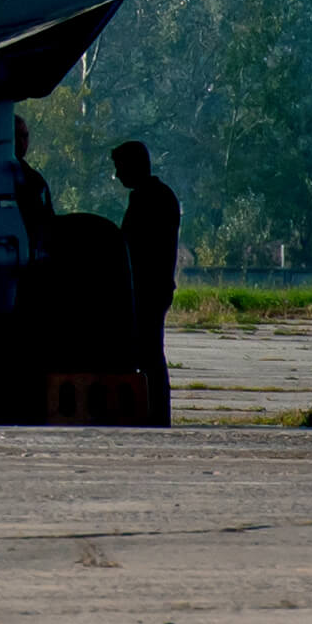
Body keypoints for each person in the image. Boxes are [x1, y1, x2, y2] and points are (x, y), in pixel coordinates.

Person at [112, 142, 182, 426]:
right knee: (151, 353)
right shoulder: (159, 195)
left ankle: (153, 414)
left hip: (147, 289)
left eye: (120, 168)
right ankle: (154, 413)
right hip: (156, 287)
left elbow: (134, 246)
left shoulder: (147, 199)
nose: (117, 175)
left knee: (149, 355)